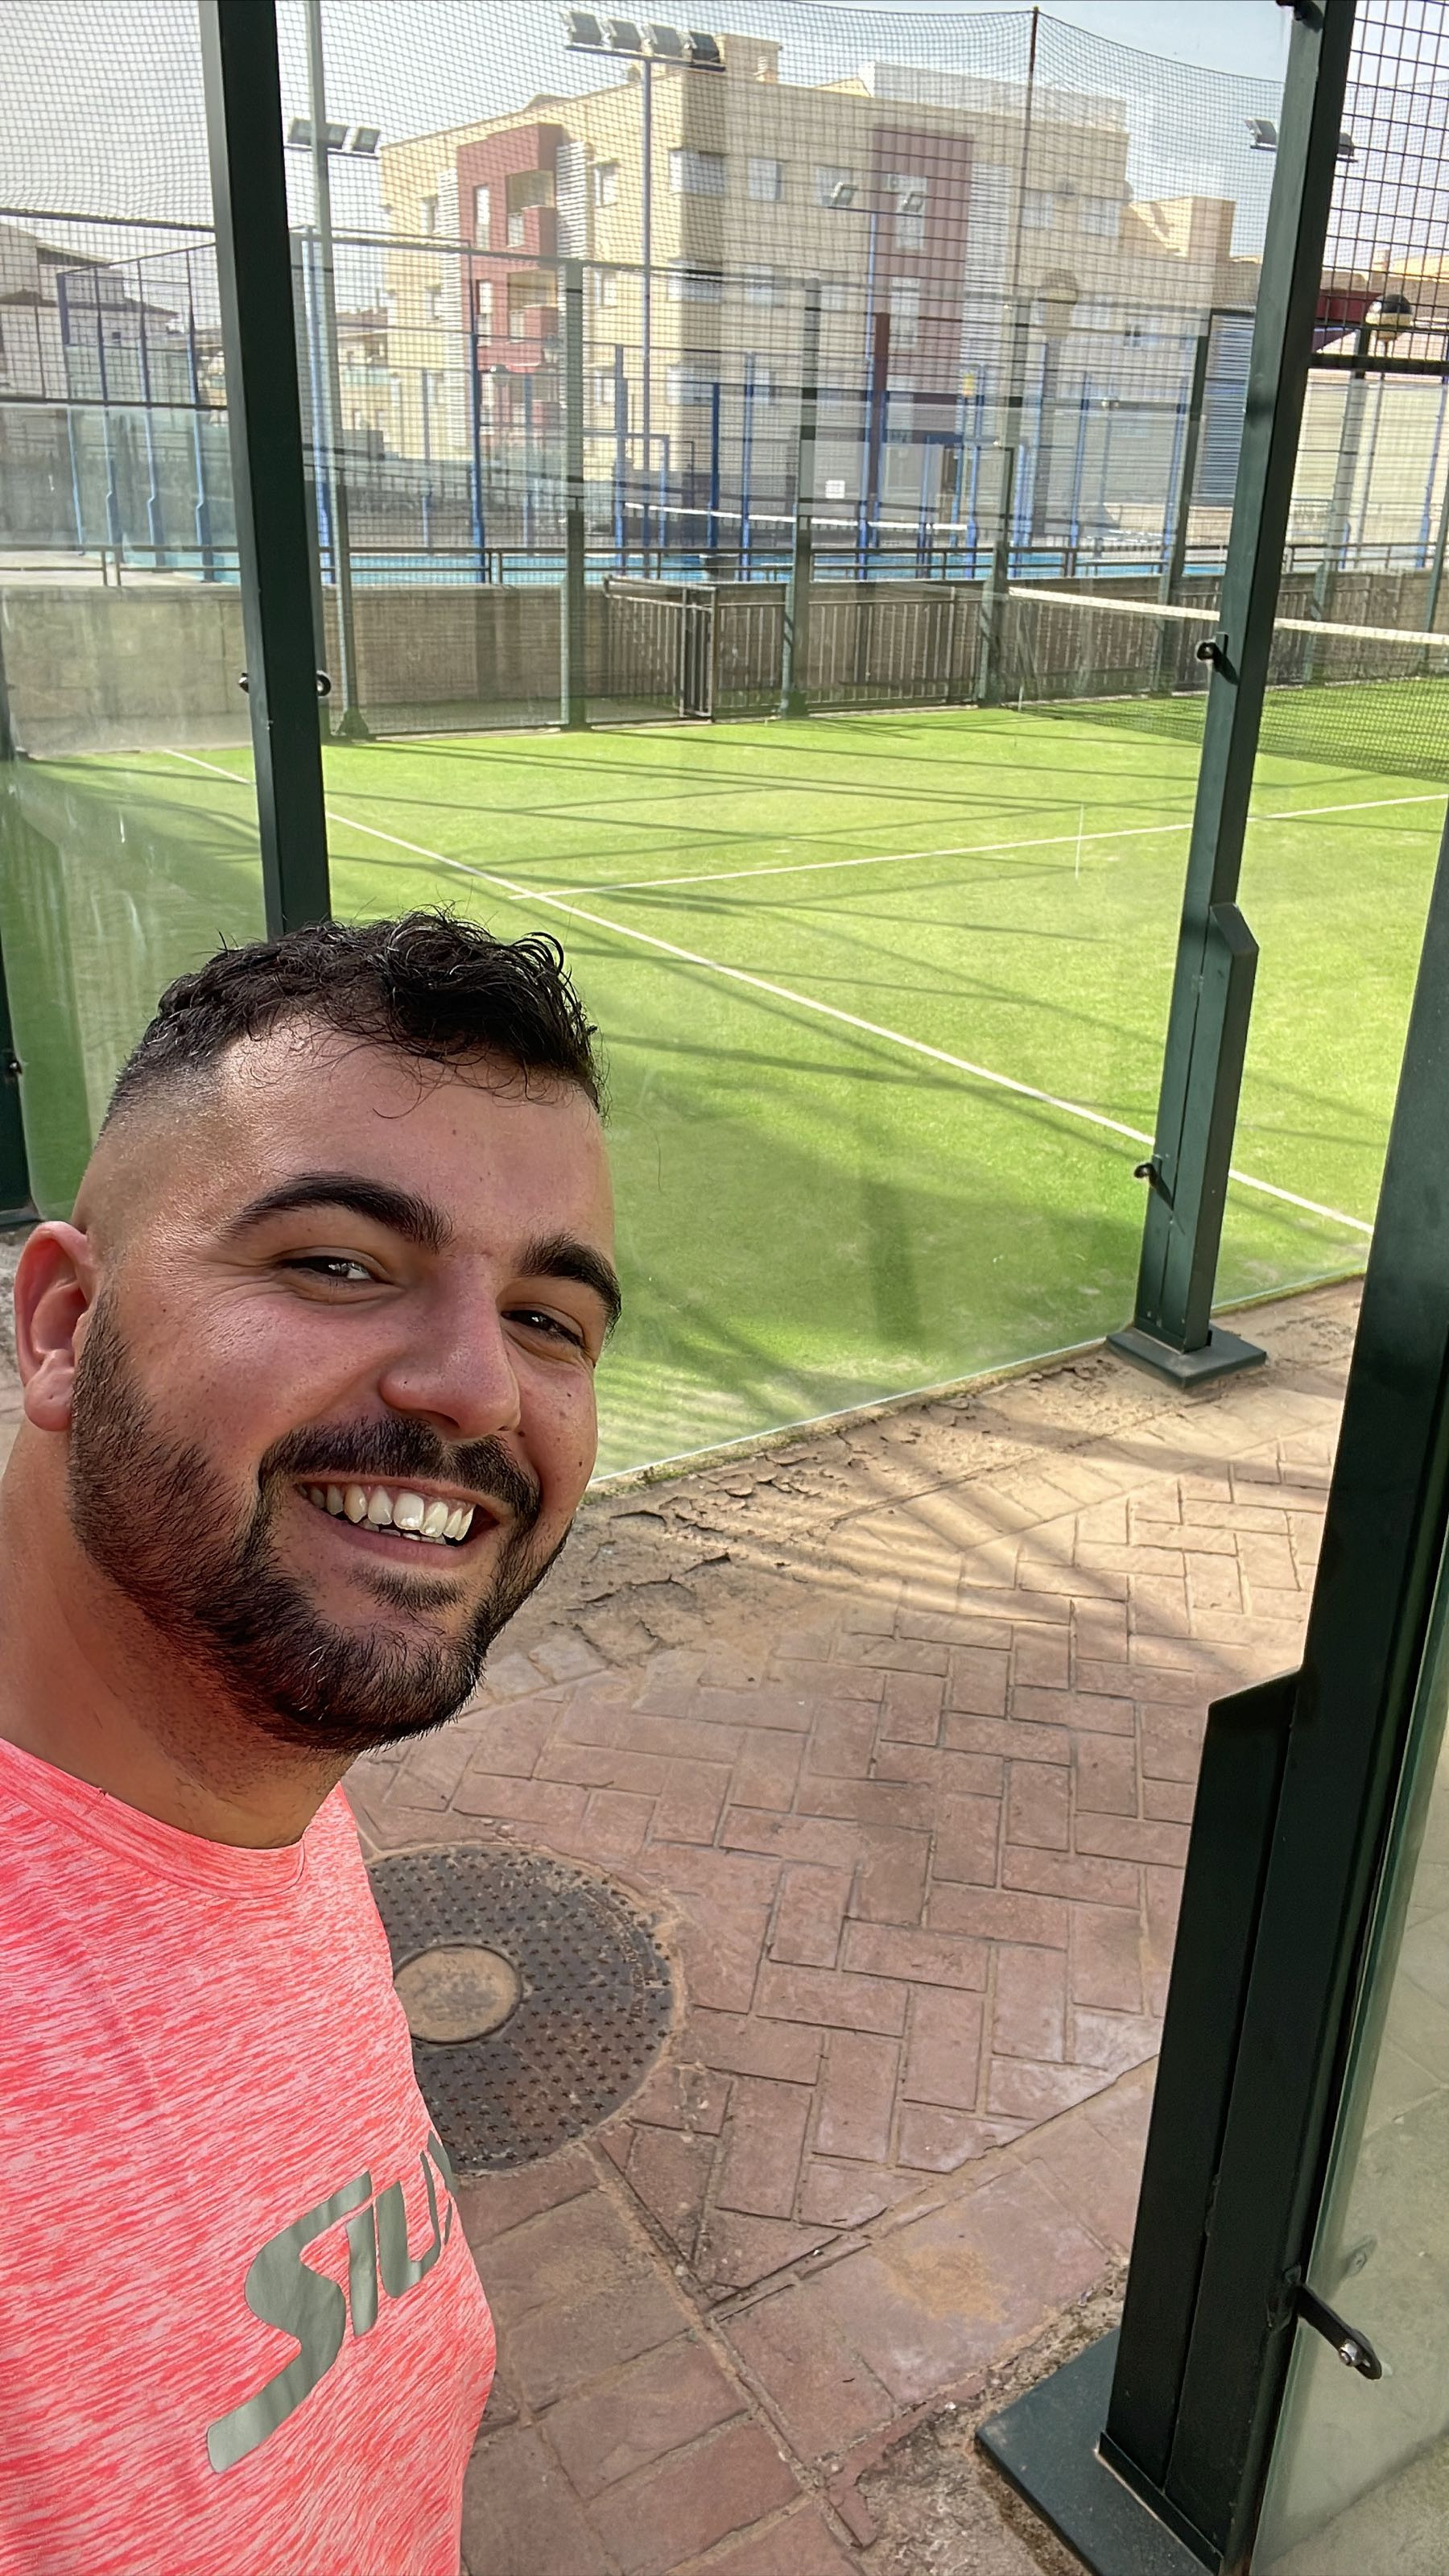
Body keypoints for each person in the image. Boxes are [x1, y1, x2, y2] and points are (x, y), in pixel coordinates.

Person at [0, 912, 620, 2576]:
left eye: (552, 1318)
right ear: (62, 1327)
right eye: (339, 1263)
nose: (479, 1387)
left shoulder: (247, 1746)